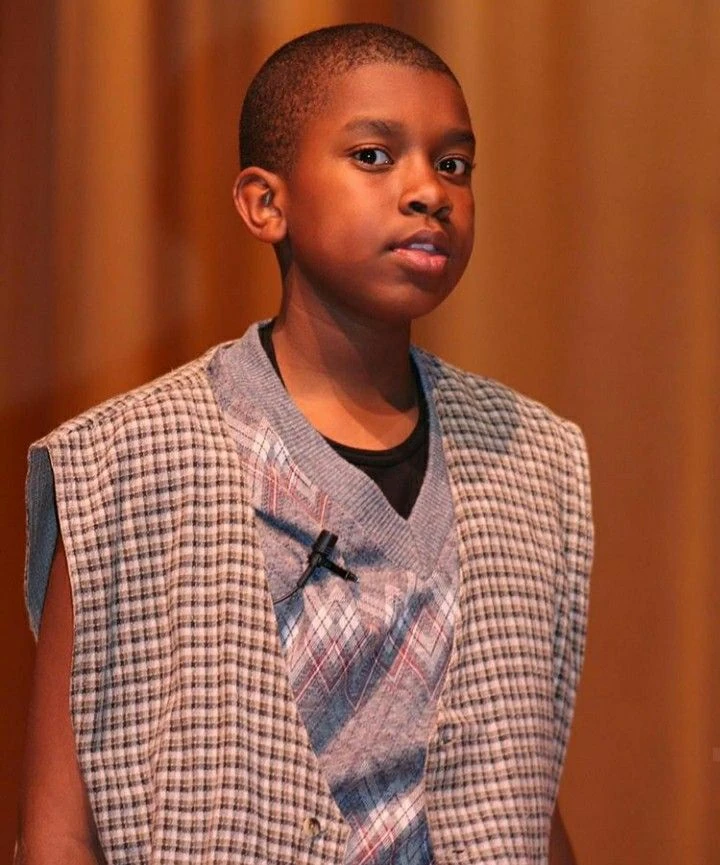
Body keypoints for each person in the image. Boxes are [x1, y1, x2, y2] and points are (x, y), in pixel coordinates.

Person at [17, 23, 592, 865]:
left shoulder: (532, 461)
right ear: (266, 203)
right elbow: (57, 829)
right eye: (373, 156)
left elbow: (520, 789)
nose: (428, 191)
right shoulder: (126, 463)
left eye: (454, 164)